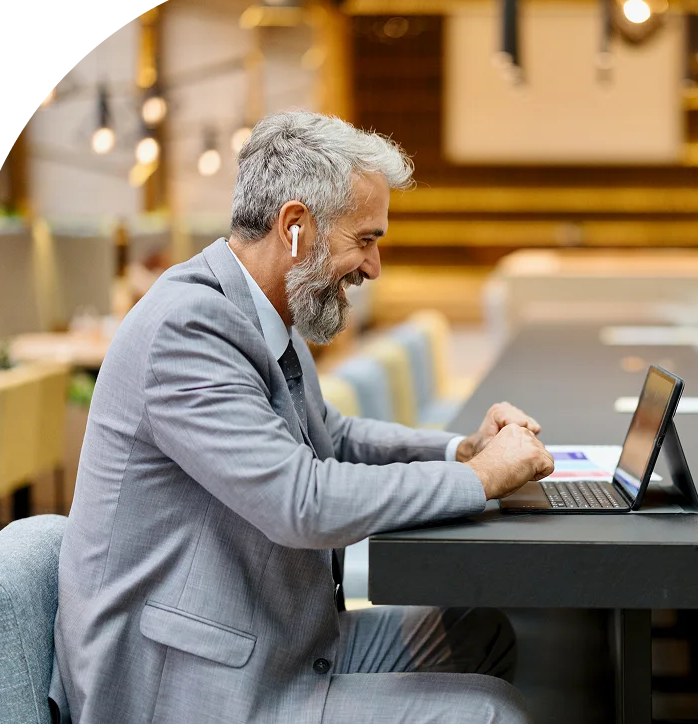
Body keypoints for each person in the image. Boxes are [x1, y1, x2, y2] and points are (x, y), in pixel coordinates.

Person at [51, 110, 555, 724]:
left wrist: (462, 453)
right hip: (183, 686)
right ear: (295, 227)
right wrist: (481, 482)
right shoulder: (187, 329)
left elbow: (333, 439)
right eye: (365, 240)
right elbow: (301, 500)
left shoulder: (264, 315)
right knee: (492, 713)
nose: (374, 268)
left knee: (476, 632)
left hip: (268, 635)